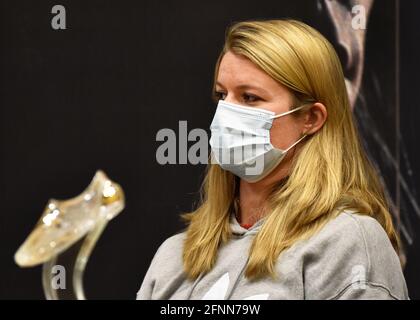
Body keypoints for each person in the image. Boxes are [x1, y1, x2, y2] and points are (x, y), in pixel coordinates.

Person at [137, 19, 409, 300]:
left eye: (250, 97)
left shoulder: (348, 241)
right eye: (221, 95)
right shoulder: (176, 254)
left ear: (311, 118)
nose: (225, 113)